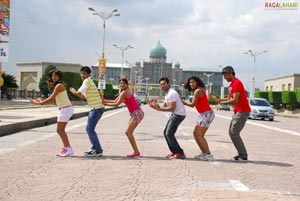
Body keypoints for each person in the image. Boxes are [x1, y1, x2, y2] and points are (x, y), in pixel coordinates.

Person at [209, 66, 251, 161]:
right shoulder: (232, 85)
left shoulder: (237, 83)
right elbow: (229, 98)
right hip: (237, 111)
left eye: (225, 76)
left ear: (231, 74)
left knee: (234, 132)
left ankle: (243, 155)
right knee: (232, 132)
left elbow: (234, 100)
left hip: (242, 111)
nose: (224, 78)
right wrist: (218, 100)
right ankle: (241, 154)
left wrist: (221, 103)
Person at [30, 69, 74, 157]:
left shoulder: (59, 86)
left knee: (60, 130)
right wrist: (42, 102)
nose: (53, 77)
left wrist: (39, 103)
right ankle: (67, 148)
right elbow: (53, 101)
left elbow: (51, 98)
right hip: (64, 109)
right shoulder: (57, 86)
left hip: (65, 109)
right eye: (52, 76)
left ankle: (69, 149)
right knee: (60, 130)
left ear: (59, 77)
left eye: (56, 76)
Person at [69, 66, 105, 157]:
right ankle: (94, 148)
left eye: (84, 74)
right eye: (81, 73)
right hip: (96, 107)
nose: (82, 75)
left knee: (90, 129)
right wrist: (77, 93)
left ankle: (98, 150)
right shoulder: (89, 82)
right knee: (90, 129)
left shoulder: (87, 81)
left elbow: (78, 92)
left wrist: (73, 91)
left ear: (89, 74)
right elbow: (84, 97)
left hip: (96, 108)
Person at [104, 78, 144, 158]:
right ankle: (136, 151)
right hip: (136, 113)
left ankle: (136, 152)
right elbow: (115, 101)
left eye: (123, 83)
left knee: (128, 132)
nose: (121, 85)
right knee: (129, 133)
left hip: (137, 113)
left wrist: (104, 103)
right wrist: (105, 101)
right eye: (120, 83)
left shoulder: (125, 92)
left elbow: (116, 104)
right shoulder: (124, 91)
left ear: (126, 84)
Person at [148, 77, 186, 159]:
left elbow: (172, 108)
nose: (162, 86)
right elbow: (164, 107)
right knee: (166, 132)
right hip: (175, 114)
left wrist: (159, 108)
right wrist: (155, 107)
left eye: (164, 84)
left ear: (169, 84)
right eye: (161, 85)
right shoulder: (167, 94)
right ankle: (175, 152)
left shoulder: (172, 93)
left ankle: (180, 153)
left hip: (179, 114)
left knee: (169, 133)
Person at [182, 76, 215, 161]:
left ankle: (208, 154)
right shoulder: (198, 90)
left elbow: (192, 105)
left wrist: (183, 102)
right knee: (195, 134)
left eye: (193, 82)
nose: (191, 84)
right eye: (190, 82)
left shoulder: (198, 91)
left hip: (207, 114)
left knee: (200, 135)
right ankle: (204, 153)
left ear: (197, 82)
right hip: (203, 114)